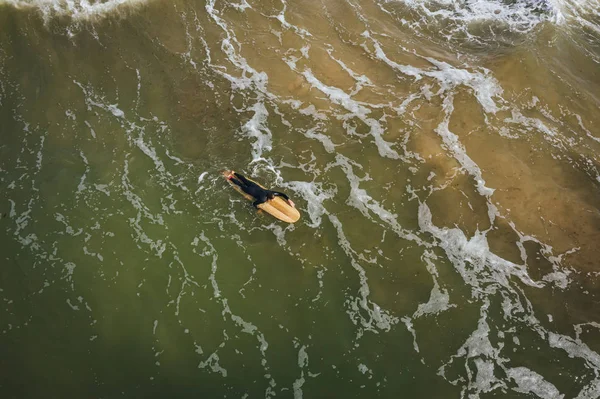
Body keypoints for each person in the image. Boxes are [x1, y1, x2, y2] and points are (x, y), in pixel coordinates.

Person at [227, 171, 295, 209]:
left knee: (244, 180)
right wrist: (258, 209)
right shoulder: (263, 199)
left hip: (254, 185)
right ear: (268, 198)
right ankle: (230, 178)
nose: (273, 199)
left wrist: (288, 200)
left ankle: (234, 173)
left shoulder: (270, 192)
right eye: (272, 199)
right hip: (249, 191)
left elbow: (282, 194)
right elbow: (254, 203)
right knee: (240, 184)